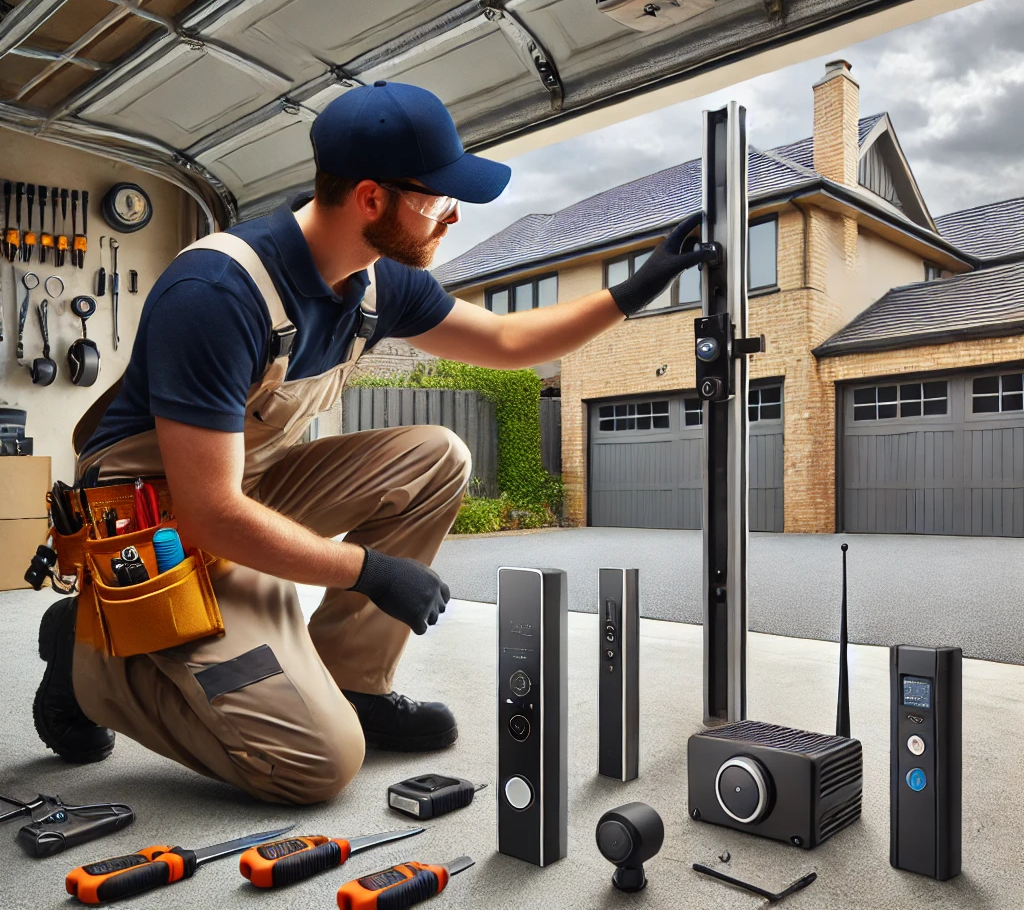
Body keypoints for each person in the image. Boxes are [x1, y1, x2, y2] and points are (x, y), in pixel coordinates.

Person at [32, 80, 706, 805]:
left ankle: (351, 681)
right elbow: (208, 515)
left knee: (438, 455)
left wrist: (636, 289)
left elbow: (508, 338)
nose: (451, 218)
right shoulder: (218, 292)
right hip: (158, 520)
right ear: (371, 199)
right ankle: (89, 661)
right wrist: (368, 571)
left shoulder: (378, 283)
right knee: (314, 766)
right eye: (437, 200)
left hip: (243, 489)